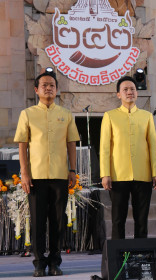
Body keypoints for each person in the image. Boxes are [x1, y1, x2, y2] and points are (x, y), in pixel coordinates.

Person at [14, 69, 79, 277]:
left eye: (52, 85)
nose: (48, 88)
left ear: (56, 90)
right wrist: (24, 173)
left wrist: (72, 170)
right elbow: (22, 146)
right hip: (36, 177)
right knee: (38, 222)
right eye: (44, 85)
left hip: (60, 175)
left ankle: (55, 262)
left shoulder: (65, 114)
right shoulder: (27, 114)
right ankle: (39, 263)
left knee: (58, 222)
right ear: (36, 90)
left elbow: (71, 143)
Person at [99, 76, 156, 240]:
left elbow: (152, 146)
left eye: (132, 89)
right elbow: (105, 148)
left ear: (137, 93)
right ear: (118, 94)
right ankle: (119, 258)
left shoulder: (146, 116)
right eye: (125, 89)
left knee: (142, 219)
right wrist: (105, 174)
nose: (129, 92)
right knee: (118, 219)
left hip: (143, 174)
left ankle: (140, 257)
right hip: (118, 175)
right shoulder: (110, 116)